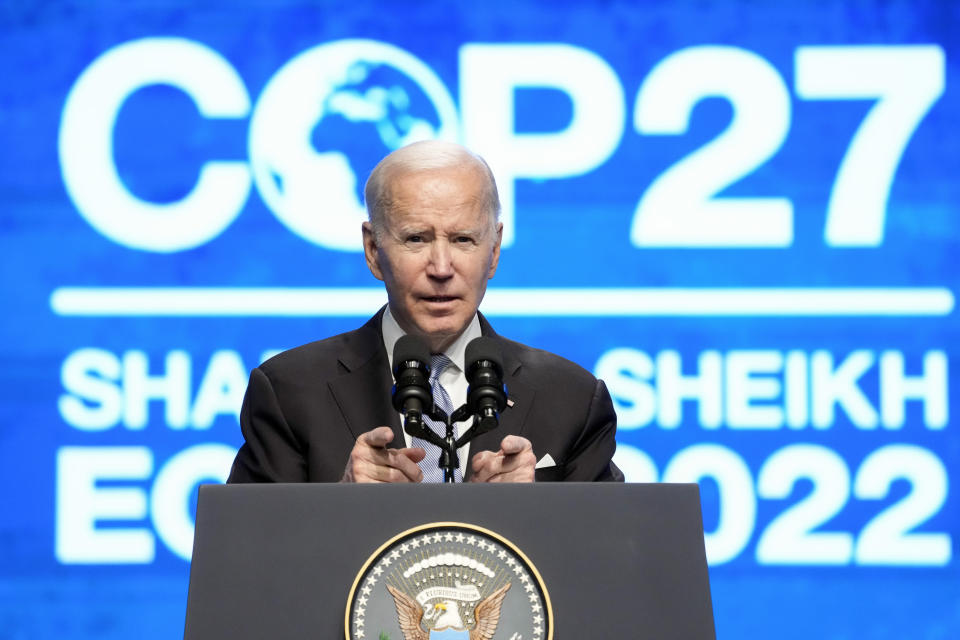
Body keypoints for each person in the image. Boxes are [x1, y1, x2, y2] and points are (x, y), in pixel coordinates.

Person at [228, 140, 623, 484]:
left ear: (494, 251)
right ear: (373, 250)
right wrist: (341, 501)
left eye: (463, 239)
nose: (441, 268)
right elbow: (244, 559)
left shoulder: (572, 399)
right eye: (416, 239)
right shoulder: (289, 392)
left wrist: (527, 514)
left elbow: (613, 558)